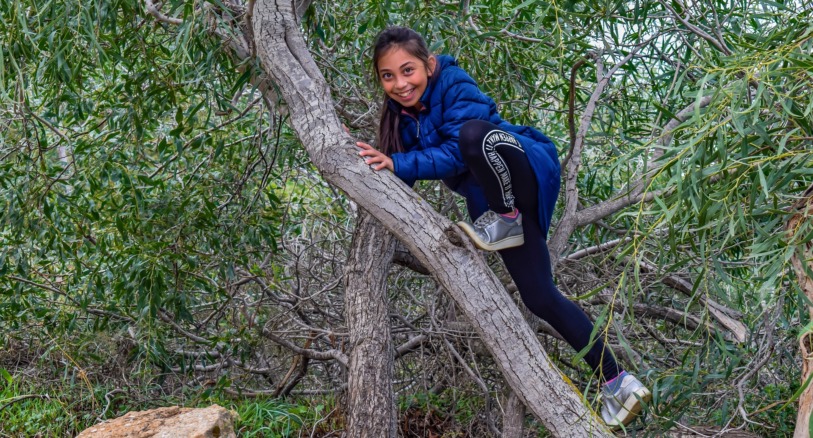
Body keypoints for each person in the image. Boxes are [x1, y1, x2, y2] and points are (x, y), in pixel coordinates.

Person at [355, 26, 651, 429]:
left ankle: (506, 216)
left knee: (474, 135)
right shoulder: (402, 119)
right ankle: (618, 382)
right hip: (491, 208)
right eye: (387, 76)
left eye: (407, 70)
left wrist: (398, 163)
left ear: (428, 63)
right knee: (540, 298)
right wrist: (371, 165)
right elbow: (399, 176)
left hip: (519, 164)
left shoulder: (453, 82)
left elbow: (457, 154)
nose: (399, 83)